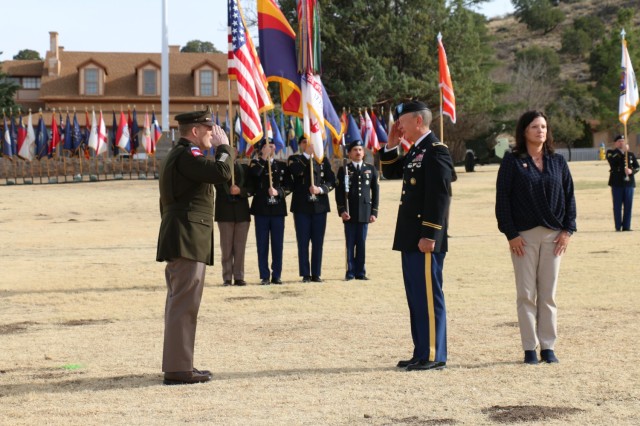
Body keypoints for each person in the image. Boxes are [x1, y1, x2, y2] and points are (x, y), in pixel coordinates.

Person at [156, 108, 234, 385]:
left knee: (182, 302)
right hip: (187, 237)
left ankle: (180, 364)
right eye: (209, 130)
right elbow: (221, 172)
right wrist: (225, 147)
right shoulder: (187, 155)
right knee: (184, 304)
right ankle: (178, 369)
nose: (213, 134)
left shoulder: (180, 155)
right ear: (195, 131)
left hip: (185, 236)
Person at [495, 110, 577, 365]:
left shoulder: (558, 161)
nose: (540, 131)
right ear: (524, 131)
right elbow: (503, 200)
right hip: (524, 237)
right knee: (526, 293)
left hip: (554, 237)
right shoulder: (511, 161)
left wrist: (568, 230)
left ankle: (548, 347)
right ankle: (530, 348)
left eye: (543, 126)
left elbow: (569, 196)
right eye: (534, 127)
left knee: (548, 294)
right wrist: (511, 234)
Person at [380, 101, 454, 371]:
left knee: (428, 296)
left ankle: (434, 354)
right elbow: (390, 171)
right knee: (416, 297)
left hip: (425, 238)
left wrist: (430, 234)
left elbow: (440, 196)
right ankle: (421, 352)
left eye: (402, 121)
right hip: (411, 237)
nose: (398, 125)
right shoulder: (416, 151)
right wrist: (391, 144)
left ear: (418, 122)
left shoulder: (435, 151)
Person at [288, 136, 336, 283]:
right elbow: (295, 171)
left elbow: (331, 180)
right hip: (302, 207)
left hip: (319, 207)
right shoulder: (295, 159)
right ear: (301, 145)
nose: (308, 145)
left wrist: (321, 189)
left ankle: (316, 273)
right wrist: (307, 155)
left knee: (318, 241)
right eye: (304, 142)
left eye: (311, 143)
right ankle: (305, 274)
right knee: (303, 241)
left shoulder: (322, 160)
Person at [334, 139, 379, 281]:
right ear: (349, 153)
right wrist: (342, 210)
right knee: (350, 243)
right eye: (355, 150)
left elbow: (375, 192)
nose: (358, 152)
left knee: (361, 243)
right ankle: (350, 271)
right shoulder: (344, 169)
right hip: (350, 212)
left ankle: (361, 272)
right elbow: (339, 192)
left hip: (365, 211)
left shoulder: (370, 169)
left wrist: (374, 212)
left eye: (360, 150)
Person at [248, 138, 291, 285]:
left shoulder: (282, 165)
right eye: (267, 146)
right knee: (262, 244)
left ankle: (277, 274)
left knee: (277, 244)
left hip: (278, 209)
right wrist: (263, 158)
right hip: (261, 209)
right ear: (261, 149)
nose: (270, 148)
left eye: (272, 146)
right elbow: (254, 175)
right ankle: (264, 275)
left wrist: (278, 191)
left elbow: (288, 186)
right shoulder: (255, 163)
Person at [214, 161, 252, 286]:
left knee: (240, 247)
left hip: (242, 213)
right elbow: (217, 183)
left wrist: (240, 191)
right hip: (225, 213)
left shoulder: (245, 168)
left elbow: (252, 187)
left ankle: (239, 276)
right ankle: (227, 277)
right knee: (226, 247)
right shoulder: (219, 168)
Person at [606, 134, 639, 231]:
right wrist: (623, 152)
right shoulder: (611, 153)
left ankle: (626, 226)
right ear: (615, 143)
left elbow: (637, 167)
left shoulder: (631, 155)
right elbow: (613, 162)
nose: (621, 142)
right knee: (617, 206)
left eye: (623, 141)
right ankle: (618, 226)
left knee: (628, 205)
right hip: (617, 183)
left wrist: (631, 171)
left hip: (629, 184)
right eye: (619, 141)